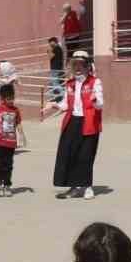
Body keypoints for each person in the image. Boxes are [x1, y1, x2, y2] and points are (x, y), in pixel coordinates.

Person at [44, 51, 104, 200]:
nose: (77, 68)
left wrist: (95, 100)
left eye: (80, 64)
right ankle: (74, 187)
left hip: (89, 122)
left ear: (87, 66)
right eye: (74, 64)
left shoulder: (95, 82)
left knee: (86, 156)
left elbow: (100, 104)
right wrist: (54, 105)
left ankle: (87, 186)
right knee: (69, 155)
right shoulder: (70, 84)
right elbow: (66, 104)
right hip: (72, 122)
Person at [0, 83, 25, 197]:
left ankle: (7, 185)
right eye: (9, 99)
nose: (11, 101)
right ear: (3, 99)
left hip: (11, 142)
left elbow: (18, 123)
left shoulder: (16, 110)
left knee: (8, 164)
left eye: (12, 98)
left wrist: (22, 135)